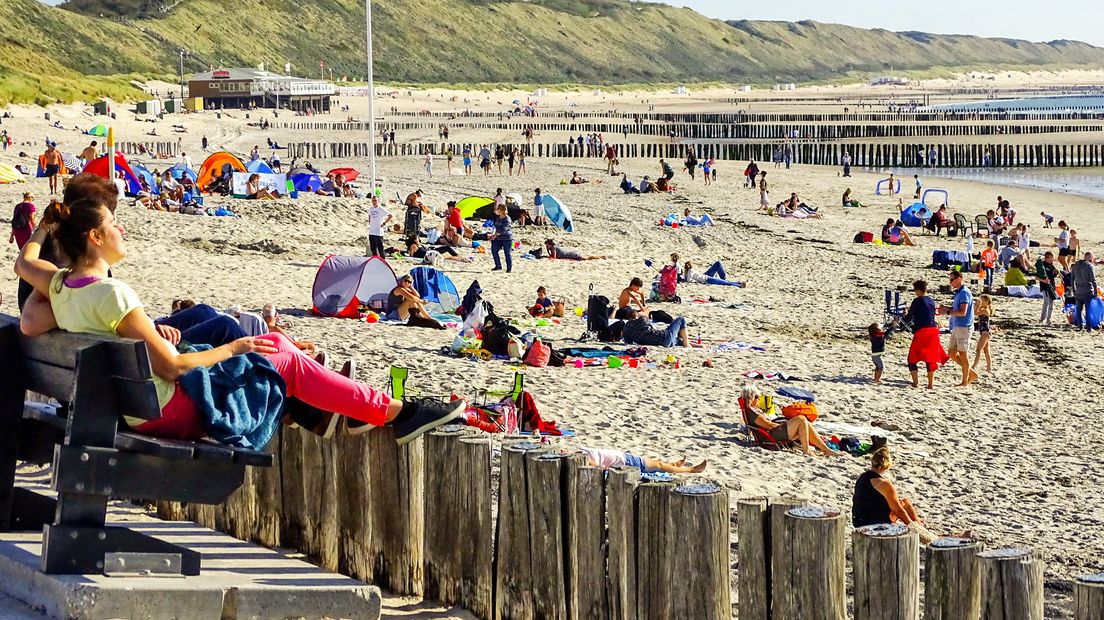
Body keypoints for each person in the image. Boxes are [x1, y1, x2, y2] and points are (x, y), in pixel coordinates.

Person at [14, 174, 464, 446]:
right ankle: (396, 414)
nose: (122, 229)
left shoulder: (60, 286)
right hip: (167, 410)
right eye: (114, 224)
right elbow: (171, 366)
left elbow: (24, 263)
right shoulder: (112, 294)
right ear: (95, 237)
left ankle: (346, 410)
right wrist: (232, 349)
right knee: (278, 358)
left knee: (275, 344)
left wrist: (44, 227)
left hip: (130, 406)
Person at [852, 448, 936, 543]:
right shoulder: (884, 483)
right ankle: (920, 528)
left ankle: (918, 524)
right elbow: (898, 510)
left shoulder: (862, 477)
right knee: (905, 504)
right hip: (874, 524)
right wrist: (912, 525)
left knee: (903, 502)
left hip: (858, 521)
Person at [740, 384, 840, 457]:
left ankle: (825, 449)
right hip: (770, 436)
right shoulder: (752, 412)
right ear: (751, 398)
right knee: (801, 419)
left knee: (805, 422)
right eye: (757, 397)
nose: (759, 400)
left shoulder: (751, 410)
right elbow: (769, 426)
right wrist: (785, 424)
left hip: (771, 433)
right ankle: (807, 450)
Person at [904, 279, 948, 389]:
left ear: (918, 290)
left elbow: (909, 317)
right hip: (933, 331)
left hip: (922, 332)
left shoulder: (917, 300)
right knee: (930, 357)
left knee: (912, 358)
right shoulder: (931, 300)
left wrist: (904, 315)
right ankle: (930, 384)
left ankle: (915, 383)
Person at [941, 270, 977, 387]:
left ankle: (965, 381)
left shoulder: (964, 293)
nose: (950, 282)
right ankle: (971, 373)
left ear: (959, 279)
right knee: (951, 352)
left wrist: (947, 311)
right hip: (957, 326)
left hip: (964, 326)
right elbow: (957, 309)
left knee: (963, 354)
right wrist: (946, 308)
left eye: (952, 279)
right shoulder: (959, 293)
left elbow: (962, 312)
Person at [578, 447, 706, 474]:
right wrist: (605, 469)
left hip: (624, 458)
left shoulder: (577, 454)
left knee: (655, 463)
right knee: (659, 465)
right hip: (625, 461)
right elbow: (594, 465)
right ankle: (691, 469)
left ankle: (673, 465)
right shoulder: (579, 457)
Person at [621, 307, 689, 348]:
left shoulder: (626, 328)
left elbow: (628, 342)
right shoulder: (642, 320)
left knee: (677, 340)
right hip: (664, 337)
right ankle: (687, 344)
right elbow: (648, 322)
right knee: (681, 319)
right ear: (637, 316)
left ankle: (685, 342)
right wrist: (642, 314)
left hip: (660, 344)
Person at [1071, 252, 1098, 331]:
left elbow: (1072, 279)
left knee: (1078, 310)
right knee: (1088, 310)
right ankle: (1088, 327)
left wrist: (1074, 290)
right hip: (1087, 291)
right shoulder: (1089, 266)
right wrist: (1095, 292)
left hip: (1078, 291)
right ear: (1090, 257)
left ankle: (1080, 326)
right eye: (1092, 258)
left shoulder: (1075, 265)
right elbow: (1093, 280)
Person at [1036, 251, 1059, 326]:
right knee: (1046, 302)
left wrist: (1056, 273)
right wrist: (1044, 281)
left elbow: (1052, 276)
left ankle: (1048, 319)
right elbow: (1037, 277)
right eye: (1052, 258)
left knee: (1051, 302)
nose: (1053, 259)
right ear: (1047, 258)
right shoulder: (1042, 265)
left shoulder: (1051, 265)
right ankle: (1042, 319)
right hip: (1045, 287)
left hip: (1051, 286)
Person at [972, 294, 993, 373]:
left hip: (985, 332)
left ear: (986, 301)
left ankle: (974, 366)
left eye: (982, 301)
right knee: (986, 350)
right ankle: (989, 367)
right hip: (984, 332)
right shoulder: (983, 309)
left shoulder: (986, 310)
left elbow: (975, 312)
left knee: (978, 349)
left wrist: (977, 304)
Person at [489, 203, 513, 273]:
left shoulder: (507, 219)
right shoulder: (498, 217)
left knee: (507, 253)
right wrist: (493, 236)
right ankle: (498, 266)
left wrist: (495, 236)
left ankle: (509, 269)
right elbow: (496, 227)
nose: (496, 211)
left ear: (502, 210)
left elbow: (504, 229)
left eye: (498, 209)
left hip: (507, 239)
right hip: (498, 238)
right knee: (494, 250)